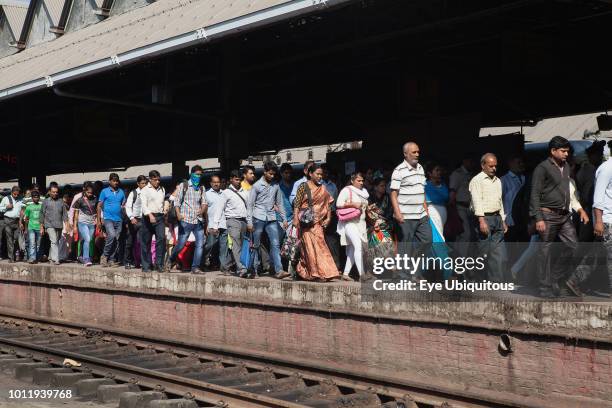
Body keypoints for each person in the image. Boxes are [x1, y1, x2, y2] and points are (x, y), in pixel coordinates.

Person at [530, 136, 589, 297]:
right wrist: (538, 218)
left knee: (573, 245)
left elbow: (570, 191)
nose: (566, 154)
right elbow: (534, 194)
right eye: (563, 151)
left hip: (564, 215)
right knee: (545, 251)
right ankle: (544, 287)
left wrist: (580, 210)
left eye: (567, 151)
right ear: (553, 151)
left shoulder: (567, 167)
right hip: (547, 214)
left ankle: (554, 278)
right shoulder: (542, 168)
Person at [390, 142, 432, 279]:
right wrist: (397, 212)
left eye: (418, 152)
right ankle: (403, 275)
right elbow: (393, 194)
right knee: (405, 247)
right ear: (405, 154)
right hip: (406, 215)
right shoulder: (399, 170)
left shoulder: (420, 168)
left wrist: (426, 208)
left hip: (421, 214)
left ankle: (414, 269)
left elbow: (422, 189)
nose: (417, 154)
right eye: (414, 152)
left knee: (427, 241)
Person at [292, 164, 340, 281]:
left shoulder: (323, 188)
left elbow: (328, 204)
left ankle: (325, 272)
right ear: (310, 174)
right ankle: (314, 273)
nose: (320, 176)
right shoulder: (303, 186)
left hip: (318, 224)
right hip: (306, 224)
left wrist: (328, 218)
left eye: (321, 174)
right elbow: (297, 204)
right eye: (317, 174)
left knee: (321, 247)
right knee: (309, 249)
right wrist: (295, 218)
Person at [246, 161, 288, 279]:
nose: (272, 176)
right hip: (258, 217)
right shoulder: (257, 186)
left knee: (275, 244)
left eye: (274, 174)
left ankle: (279, 270)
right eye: (270, 174)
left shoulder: (276, 186)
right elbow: (250, 205)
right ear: (264, 172)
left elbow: (280, 203)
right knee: (256, 245)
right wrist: (249, 222)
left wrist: (284, 219)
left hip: (271, 218)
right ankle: (253, 270)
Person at [469, 153, 507, 283]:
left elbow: (500, 201)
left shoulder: (498, 180)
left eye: (495, 166)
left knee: (496, 252)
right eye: (491, 166)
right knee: (483, 251)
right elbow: (476, 201)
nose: (494, 168)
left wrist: (503, 220)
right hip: (484, 218)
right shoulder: (477, 180)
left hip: (496, 218)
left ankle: (495, 281)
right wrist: (481, 220)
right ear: (483, 165)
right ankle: (475, 278)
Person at [169, 165, 208, 274]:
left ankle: (195, 267)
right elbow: (177, 202)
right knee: (181, 244)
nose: (198, 176)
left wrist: (202, 209)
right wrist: (178, 214)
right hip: (185, 220)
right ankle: (171, 259)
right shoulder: (184, 185)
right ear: (192, 174)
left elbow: (204, 202)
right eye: (197, 174)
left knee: (200, 244)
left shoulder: (201, 187)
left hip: (198, 220)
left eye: (200, 175)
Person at [211, 170, 248, 277]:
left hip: (244, 221)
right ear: (231, 180)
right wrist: (215, 225)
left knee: (240, 246)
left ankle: (225, 265)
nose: (238, 182)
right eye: (236, 179)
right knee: (236, 244)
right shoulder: (225, 193)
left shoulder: (244, 192)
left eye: (240, 180)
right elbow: (219, 209)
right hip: (232, 221)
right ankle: (242, 269)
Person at [337, 172, 369, 281]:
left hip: (361, 223)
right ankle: (362, 274)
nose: (361, 183)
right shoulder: (347, 190)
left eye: (362, 180)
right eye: (358, 180)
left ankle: (345, 274)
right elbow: (338, 203)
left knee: (352, 249)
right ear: (352, 181)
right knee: (358, 246)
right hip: (349, 223)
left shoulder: (364, 192)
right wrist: (353, 204)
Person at [593, 142, 612, 297]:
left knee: (593, 256)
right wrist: (599, 221)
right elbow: (598, 198)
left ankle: (572, 281)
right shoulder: (606, 168)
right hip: (606, 220)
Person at [97, 173, 126, 267]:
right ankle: (104, 256)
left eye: (117, 181)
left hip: (119, 219)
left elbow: (123, 204)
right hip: (108, 218)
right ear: (109, 181)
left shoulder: (121, 192)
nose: (116, 183)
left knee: (116, 240)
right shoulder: (104, 191)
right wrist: (98, 219)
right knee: (112, 236)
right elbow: (99, 206)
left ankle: (112, 259)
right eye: (114, 181)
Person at [140, 170, 166, 272]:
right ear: (150, 179)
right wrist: (150, 215)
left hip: (159, 217)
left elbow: (162, 203)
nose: (157, 182)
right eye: (155, 180)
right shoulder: (145, 190)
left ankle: (159, 264)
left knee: (161, 239)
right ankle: (146, 265)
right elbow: (143, 205)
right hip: (147, 217)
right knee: (146, 242)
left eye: (158, 180)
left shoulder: (162, 189)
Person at [449, 157, 475, 252]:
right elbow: (452, 192)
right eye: (470, 161)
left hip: (470, 208)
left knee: (467, 235)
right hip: (460, 207)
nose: (472, 163)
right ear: (464, 161)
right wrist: (452, 210)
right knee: (465, 234)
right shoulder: (457, 174)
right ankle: (461, 259)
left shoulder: (472, 174)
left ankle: (457, 255)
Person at [203, 175, 229, 271]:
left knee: (223, 246)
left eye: (218, 182)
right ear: (211, 183)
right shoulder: (207, 194)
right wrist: (206, 225)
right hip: (212, 224)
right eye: (214, 182)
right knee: (210, 244)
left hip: (224, 223)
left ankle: (223, 266)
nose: (216, 184)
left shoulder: (224, 194)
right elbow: (205, 212)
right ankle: (202, 261)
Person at [40, 185, 69, 265]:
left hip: (59, 225)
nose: (55, 193)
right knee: (54, 241)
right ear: (49, 192)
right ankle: (56, 259)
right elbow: (42, 214)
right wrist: (41, 226)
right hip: (49, 225)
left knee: (55, 241)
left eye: (56, 192)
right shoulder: (46, 201)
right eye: (53, 192)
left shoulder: (61, 201)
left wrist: (67, 224)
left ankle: (50, 257)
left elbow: (64, 214)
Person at [123, 175, 147, 269]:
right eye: (142, 183)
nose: (144, 185)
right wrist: (131, 217)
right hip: (134, 220)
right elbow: (128, 206)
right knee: (130, 242)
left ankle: (140, 261)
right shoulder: (133, 193)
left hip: (144, 220)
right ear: (138, 184)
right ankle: (128, 261)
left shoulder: (147, 193)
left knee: (142, 242)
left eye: (145, 183)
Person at [72, 184, 98, 266]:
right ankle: (86, 259)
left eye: (91, 192)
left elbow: (97, 210)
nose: (90, 194)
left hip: (92, 222)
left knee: (90, 240)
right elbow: (76, 214)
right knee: (87, 239)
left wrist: (98, 220)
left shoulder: (95, 199)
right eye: (88, 192)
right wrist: (75, 226)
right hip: (82, 222)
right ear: (84, 191)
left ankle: (87, 257)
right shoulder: (79, 200)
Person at [501, 156, 526, 242]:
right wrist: (503, 220)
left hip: (523, 219)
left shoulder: (524, 178)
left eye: (522, 162)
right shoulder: (504, 180)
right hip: (510, 221)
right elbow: (499, 201)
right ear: (511, 164)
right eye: (518, 162)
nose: (521, 164)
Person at [321, 163, 341, 269]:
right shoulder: (318, 185)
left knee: (332, 240)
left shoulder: (333, 185)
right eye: (323, 172)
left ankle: (336, 266)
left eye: (326, 172)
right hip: (320, 215)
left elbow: (336, 202)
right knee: (321, 240)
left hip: (332, 214)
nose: (324, 174)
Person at [0, 186, 25, 262]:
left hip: (17, 221)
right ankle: (11, 257)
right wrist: (6, 207)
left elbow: (22, 211)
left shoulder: (21, 199)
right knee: (9, 239)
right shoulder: (6, 198)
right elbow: (0, 208)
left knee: (16, 239)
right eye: (15, 194)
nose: (16, 196)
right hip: (7, 220)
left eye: (17, 194)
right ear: (12, 192)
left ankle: (16, 254)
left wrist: (21, 222)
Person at [367, 177, 394, 247]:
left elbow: (390, 212)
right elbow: (368, 212)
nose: (384, 187)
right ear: (375, 187)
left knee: (386, 248)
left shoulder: (387, 197)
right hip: (373, 225)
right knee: (375, 249)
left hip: (386, 225)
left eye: (385, 186)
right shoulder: (370, 198)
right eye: (381, 186)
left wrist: (382, 218)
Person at [425, 163, 449, 238]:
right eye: (437, 170)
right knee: (437, 234)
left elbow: (446, 198)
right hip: (432, 211)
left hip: (443, 212)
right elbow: (429, 199)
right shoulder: (425, 185)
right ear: (429, 173)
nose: (439, 172)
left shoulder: (443, 185)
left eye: (440, 170)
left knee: (439, 232)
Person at [22, 191, 42, 264]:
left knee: (38, 244)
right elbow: (26, 219)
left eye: (37, 197)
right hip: (31, 228)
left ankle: (37, 257)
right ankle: (32, 258)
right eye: (34, 197)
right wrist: (26, 229)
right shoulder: (29, 207)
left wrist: (43, 227)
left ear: (39, 198)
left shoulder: (41, 206)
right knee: (32, 243)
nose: (36, 198)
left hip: (39, 228)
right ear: (32, 198)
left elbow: (43, 218)